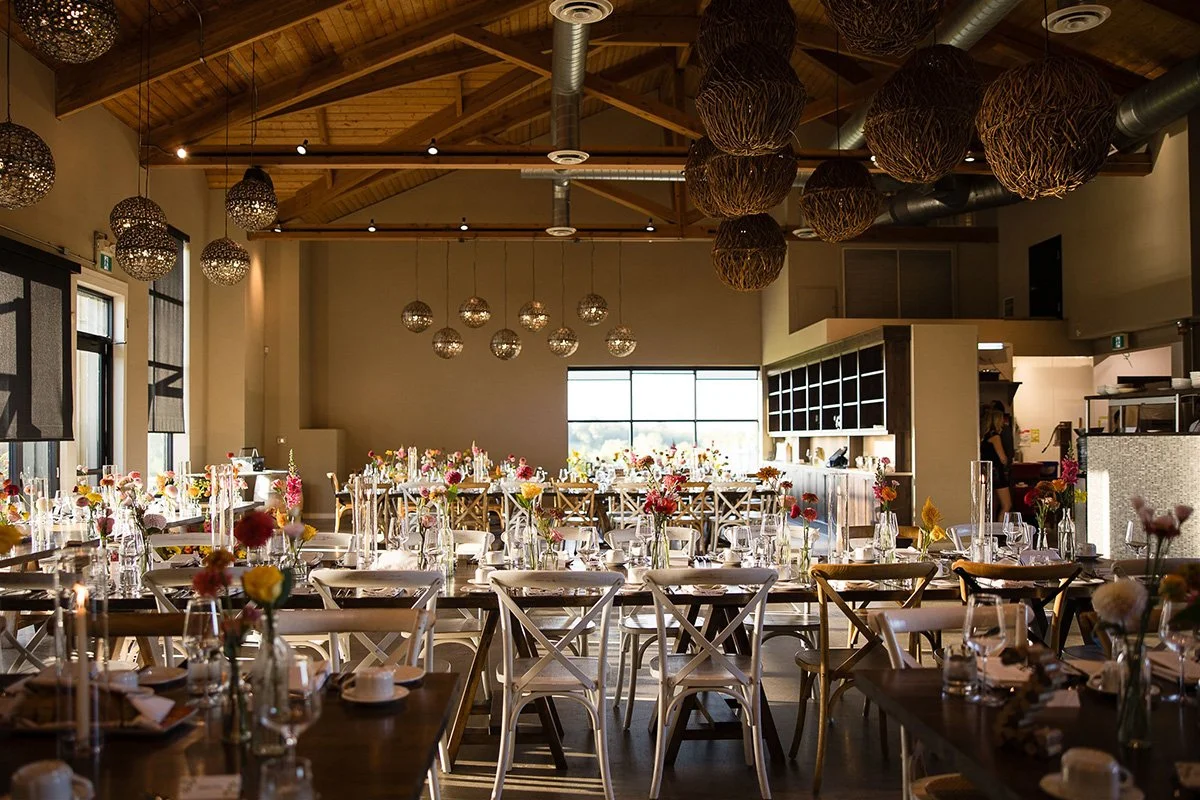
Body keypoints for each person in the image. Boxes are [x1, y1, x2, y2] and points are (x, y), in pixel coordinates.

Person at [980, 406, 1011, 518]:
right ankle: (1002, 532)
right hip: (997, 473)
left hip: (987, 472)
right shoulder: (995, 436)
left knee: (992, 505)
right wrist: (1007, 460)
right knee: (1006, 505)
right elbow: (1002, 458)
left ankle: (991, 530)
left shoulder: (984, 437)